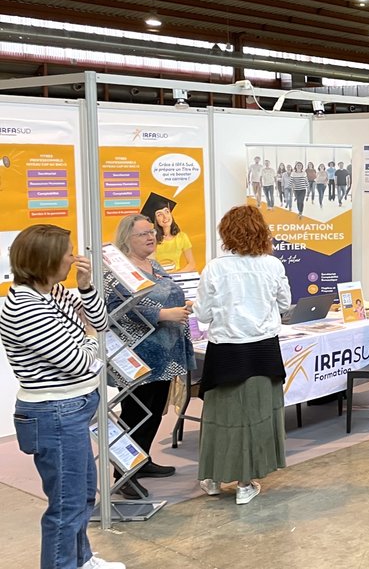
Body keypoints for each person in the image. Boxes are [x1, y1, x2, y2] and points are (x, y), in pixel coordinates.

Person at [1, 225, 126, 569]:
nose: (74, 258)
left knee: (82, 494)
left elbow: (99, 324)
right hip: (54, 412)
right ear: (46, 259)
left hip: (72, 409)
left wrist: (85, 289)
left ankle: (80, 559)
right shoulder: (23, 306)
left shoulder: (54, 292)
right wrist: (87, 345)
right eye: (68, 252)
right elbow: (77, 362)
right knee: (65, 505)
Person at [192, 205, 291, 505]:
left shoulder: (215, 268)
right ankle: (245, 483)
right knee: (258, 415)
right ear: (262, 231)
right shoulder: (272, 266)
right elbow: (285, 303)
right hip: (262, 349)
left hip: (225, 351)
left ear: (226, 233)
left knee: (221, 416)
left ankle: (212, 477)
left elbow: (203, 315)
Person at [103, 214, 195, 500]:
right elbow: (114, 307)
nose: (150, 237)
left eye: (152, 232)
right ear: (126, 239)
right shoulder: (116, 270)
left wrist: (184, 304)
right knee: (134, 414)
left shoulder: (154, 265)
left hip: (165, 354)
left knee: (155, 411)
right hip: (135, 355)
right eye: (143, 233)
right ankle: (123, 474)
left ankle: (140, 460)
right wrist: (164, 314)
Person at [142, 192, 195, 273]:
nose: (165, 217)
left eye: (167, 212)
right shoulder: (151, 238)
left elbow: (191, 264)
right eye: (160, 215)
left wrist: (176, 275)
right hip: (158, 277)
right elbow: (149, 264)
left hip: (177, 277)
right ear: (155, 220)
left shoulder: (182, 237)